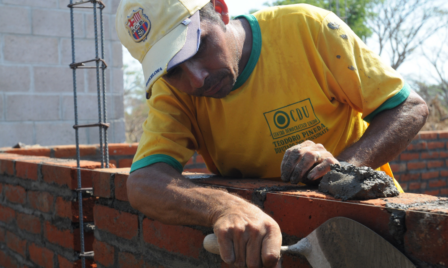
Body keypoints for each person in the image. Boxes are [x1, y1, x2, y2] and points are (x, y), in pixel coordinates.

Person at [115, 0, 428, 267]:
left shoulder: (307, 29)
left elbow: (408, 108)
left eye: (198, 47)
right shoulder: (172, 95)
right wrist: (225, 208)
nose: (196, 80)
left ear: (220, 9)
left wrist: (345, 167)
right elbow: (144, 183)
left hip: (365, 239)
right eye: (173, 70)